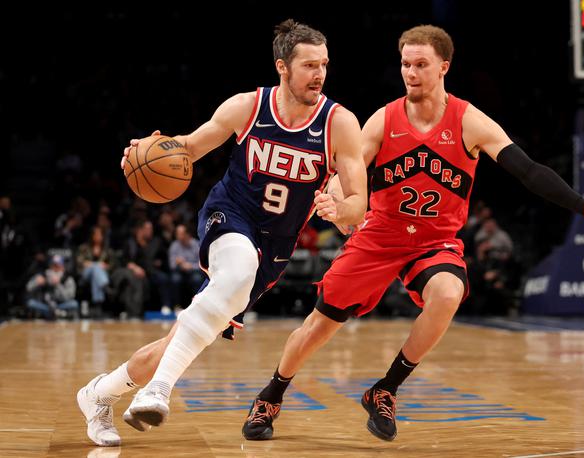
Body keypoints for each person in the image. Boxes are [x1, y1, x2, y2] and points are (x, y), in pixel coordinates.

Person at [242, 24, 584, 442]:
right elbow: (346, 172)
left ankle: (385, 389)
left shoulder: (468, 121)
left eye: (420, 64)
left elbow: (527, 171)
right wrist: (333, 198)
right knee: (318, 328)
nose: (410, 72)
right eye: (405, 64)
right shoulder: (384, 119)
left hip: (434, 242)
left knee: (449, 293)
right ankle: (271, 395)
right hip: (380, 236)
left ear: (443, 67)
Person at [77, 19, 367, 447]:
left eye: (324, 64)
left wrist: (340, 206)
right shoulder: (248, 107)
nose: (320, 73)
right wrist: (146, 150)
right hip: (229, 216)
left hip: (276, 248)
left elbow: (359, 201)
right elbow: (190, 148)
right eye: (309, 65)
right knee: (237, 268)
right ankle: (158, 391)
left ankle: (99, 394)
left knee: (179, 342)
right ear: (282, 67)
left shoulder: (339, 123)